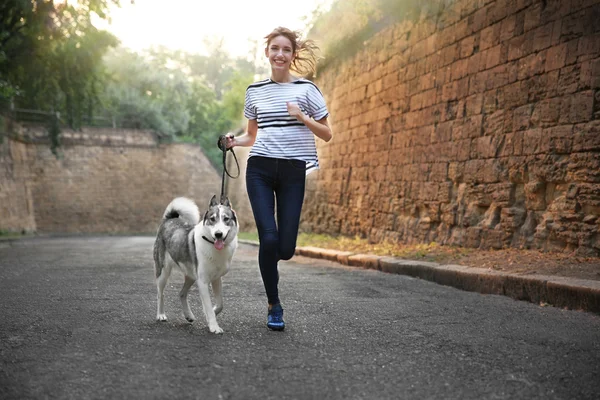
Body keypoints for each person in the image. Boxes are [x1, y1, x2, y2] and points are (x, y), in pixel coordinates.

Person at [224, 26, 332, 331]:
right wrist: (233, 141)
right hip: (259, 168)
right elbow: (251, 135)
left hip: (292, 172)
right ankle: (274, 304)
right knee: (268, 239)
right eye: (275, 48)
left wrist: (302, 117)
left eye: (286, 49)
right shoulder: (254, 92)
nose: (280, 54)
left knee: (285, 249)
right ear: (267, 52)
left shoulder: (308, 90)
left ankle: (275, 288)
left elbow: (327, 133)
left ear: (293, 55)